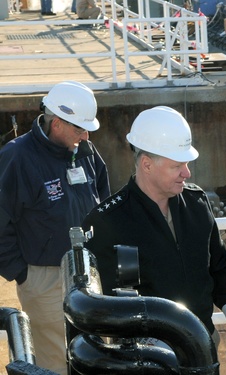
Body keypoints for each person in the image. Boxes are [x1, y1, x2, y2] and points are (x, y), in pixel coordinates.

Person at [82, 106, 226, 361]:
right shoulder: (107, 222)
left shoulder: (197, 205)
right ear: (147, 165)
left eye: (186, 164)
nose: (187, 173)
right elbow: (107, 304)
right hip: (148, 359)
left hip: (203, 347)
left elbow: (219, 268)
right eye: (178, 165)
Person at [0, 81, 110, 374]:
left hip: (88, 274)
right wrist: (21, 273)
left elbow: (104, 200)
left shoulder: (84, 149)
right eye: (79, 129)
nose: (85, 135)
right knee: (57, 363)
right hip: (45, 279)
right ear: (57, 123)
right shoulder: (19, 156)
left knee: (94, 356)